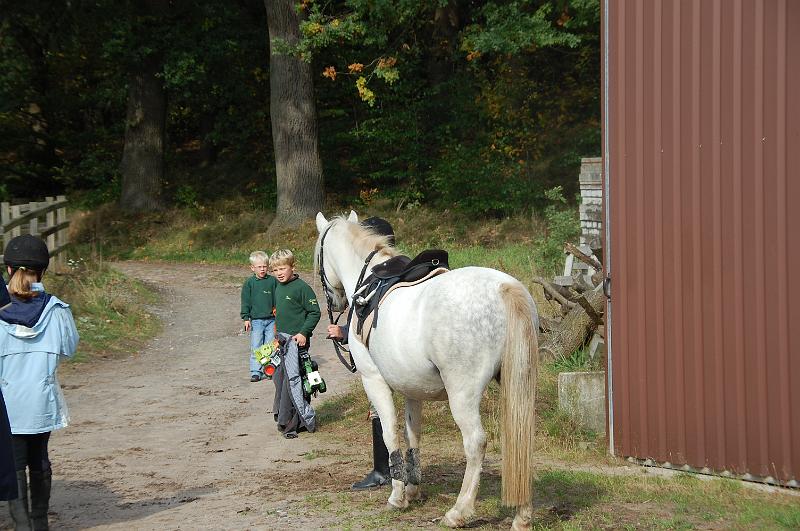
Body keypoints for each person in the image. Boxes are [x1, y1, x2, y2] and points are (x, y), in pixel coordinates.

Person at [0, 235, 79, 530]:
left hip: (8, 403)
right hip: (41, 401)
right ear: (43, 272)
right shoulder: (57, 310)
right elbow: (70, 348)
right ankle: (40, 522)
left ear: (8, 270)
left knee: (14, 463)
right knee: (39, 459)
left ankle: (22, 526)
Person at [325, 216, 394, 490]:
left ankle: (382, 470)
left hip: (383, 358)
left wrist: (345, 331)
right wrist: (344, 331)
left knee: (379, 407)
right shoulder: (398, 273)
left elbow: (368, 320)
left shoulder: (371, 282)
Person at [269, 249, 321, 438]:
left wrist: (303, 333)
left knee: (293, 382)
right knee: (279, 379)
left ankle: (294, 423)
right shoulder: (278, 287)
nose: (279, 273)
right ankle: (282, 416)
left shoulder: (301, 288)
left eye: (282, 268)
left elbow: (315, 313)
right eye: (275, 270)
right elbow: (280, 314)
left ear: (293, 267)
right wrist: (276, 337)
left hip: (296, 342)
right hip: (282, 341)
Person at [241, 251, 277, 382]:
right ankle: (256, 371)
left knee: (270, 346)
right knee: (256, 345)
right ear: (253, 268)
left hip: (271, 320)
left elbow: (277, 297)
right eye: (259, 267)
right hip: (256, 320)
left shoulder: (273, 281)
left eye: (264, 266)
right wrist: (246, 318)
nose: (262, 269)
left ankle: (269, 369)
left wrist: (277, 309)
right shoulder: (249, 283)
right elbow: (245, 302)